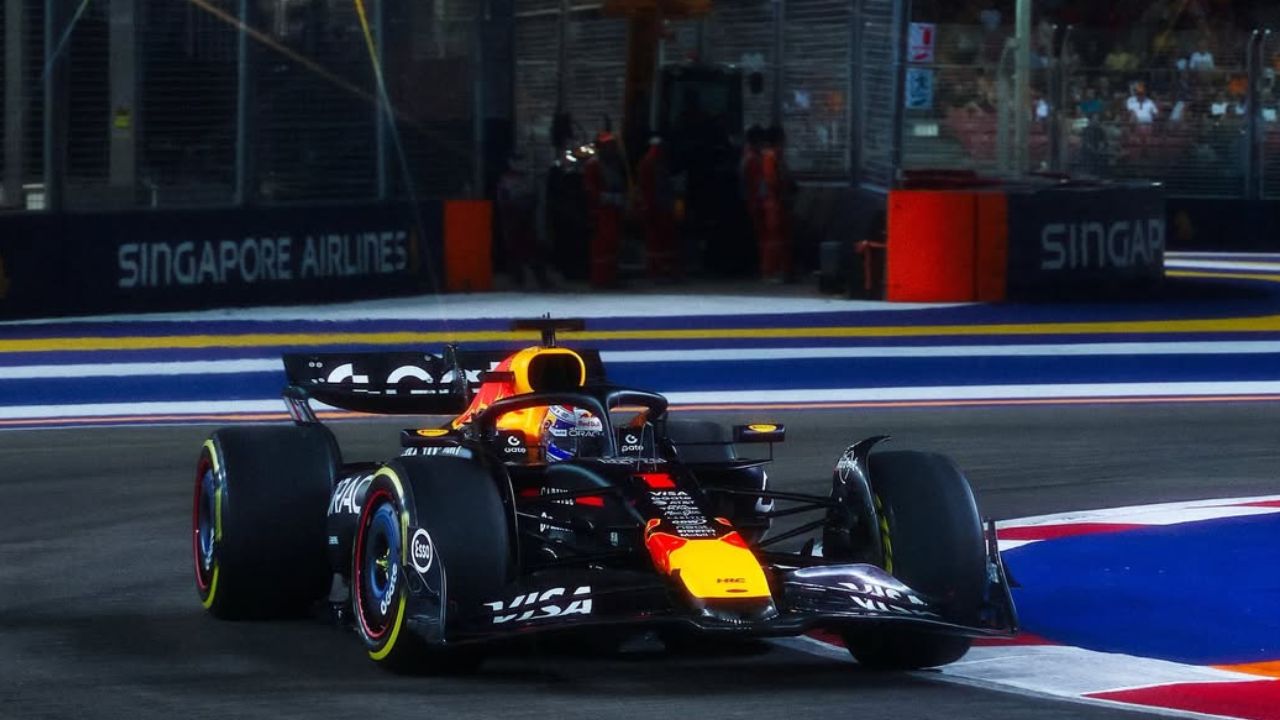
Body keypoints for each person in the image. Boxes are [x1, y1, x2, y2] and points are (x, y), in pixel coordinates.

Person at [495, 153, 549, 289]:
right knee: (514, 249)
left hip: (528, 219)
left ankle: (541, 279)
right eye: (517, 162)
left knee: (534, 249)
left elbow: (535, 197)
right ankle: (517, 279)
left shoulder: (529, 179)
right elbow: (502, 200)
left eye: (522, 162)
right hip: (512, 219)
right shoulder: (505, 180)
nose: (521, 165)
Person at [582, 132, 627, 288]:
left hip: (613, 209)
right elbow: (590, 189)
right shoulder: (593, 165)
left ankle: (611, 276)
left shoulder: (615, 164)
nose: (611, 149)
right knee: (602, 246)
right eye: (608, 146)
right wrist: (607, 198)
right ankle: (600, 278)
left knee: (613, 244)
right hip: (600, 211)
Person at [638, 135, 680, 280]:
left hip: (660, 206)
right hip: (657, 207)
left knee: (662, 240)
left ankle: (662, 269)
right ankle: (658, 270)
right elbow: (650, 187)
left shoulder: (653, 162)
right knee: (657, 240)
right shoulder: (652, 163)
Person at [757, 125, 792, 284]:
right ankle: (770, 271)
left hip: (776, 201)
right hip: (773, 201)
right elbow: (772, 181)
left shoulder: (774, 157)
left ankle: (781, 269)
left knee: (779, 237)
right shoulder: (770, 157)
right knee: (773, 238)